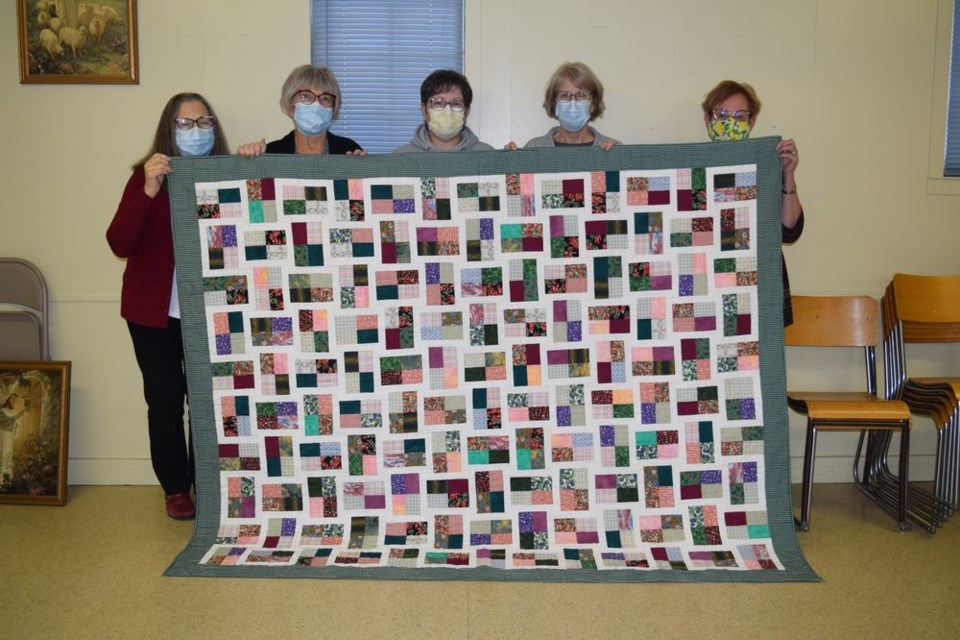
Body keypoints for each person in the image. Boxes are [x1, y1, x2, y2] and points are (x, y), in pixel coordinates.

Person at [106, 93, 230, 520]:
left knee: (209, 401)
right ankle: (176, 489)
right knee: (163, 401)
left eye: (202, 122)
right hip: (153, 313)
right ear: (168, 128)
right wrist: (147, 189)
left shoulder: (225, 175)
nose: (194, 131)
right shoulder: (146, 177)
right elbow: (120, 243)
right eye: (184, 123)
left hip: (210, 313)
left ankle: (210, 483)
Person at [701, 79, 804, 326]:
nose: (730, 122)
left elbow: (789, 231)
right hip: (712, 290)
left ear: (752, 121)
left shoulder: (766, 167)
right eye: (722, 114)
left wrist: (788, 174)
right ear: (708, 119)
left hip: (758, 289)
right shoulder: (694, 169)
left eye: (739, 115)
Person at [237, 64, 365, 156]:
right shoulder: (271, 154)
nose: (316, 105)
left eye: (325, 98)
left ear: (333, 108)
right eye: (306, 96)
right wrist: (248, 159)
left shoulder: (348, 151)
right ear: (290, 105)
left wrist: (363, 168)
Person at [510, 62, 618, 150]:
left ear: (593, 104)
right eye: (565, 95)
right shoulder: (534, 149)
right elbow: (515, 176)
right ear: (554, 103)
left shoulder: (613, 149)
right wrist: (508, 163)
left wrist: (619, 157)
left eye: (581, 95)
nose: (573, 102)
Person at [394, 69, 494, 152]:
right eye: (438, 103)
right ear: (424, 110)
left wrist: (508, 164)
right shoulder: (400, 158)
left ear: (466, 112)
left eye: (456, 103)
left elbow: (507, 175)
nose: (448, 111)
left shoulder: (487, 156)